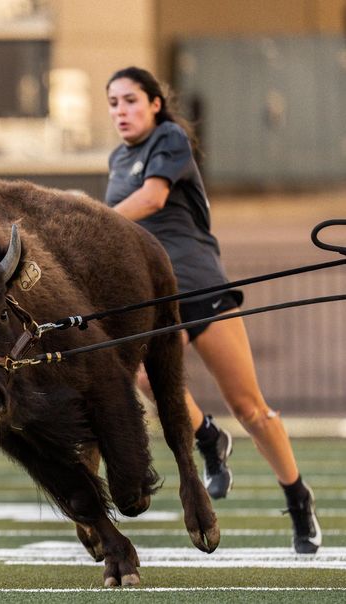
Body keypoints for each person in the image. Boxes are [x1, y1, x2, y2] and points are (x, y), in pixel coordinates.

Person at [104, 66, 321, 554]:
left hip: (201, 286)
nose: (121, 111)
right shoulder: (118, 159)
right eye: (114, 103)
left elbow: (154, 197)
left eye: (131, 100)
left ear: (155, 103)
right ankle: (207, 437)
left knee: (251, 408)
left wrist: (94, 215)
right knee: (142, 377)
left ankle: (298, 499)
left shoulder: (170, 138)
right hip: (156, 299)